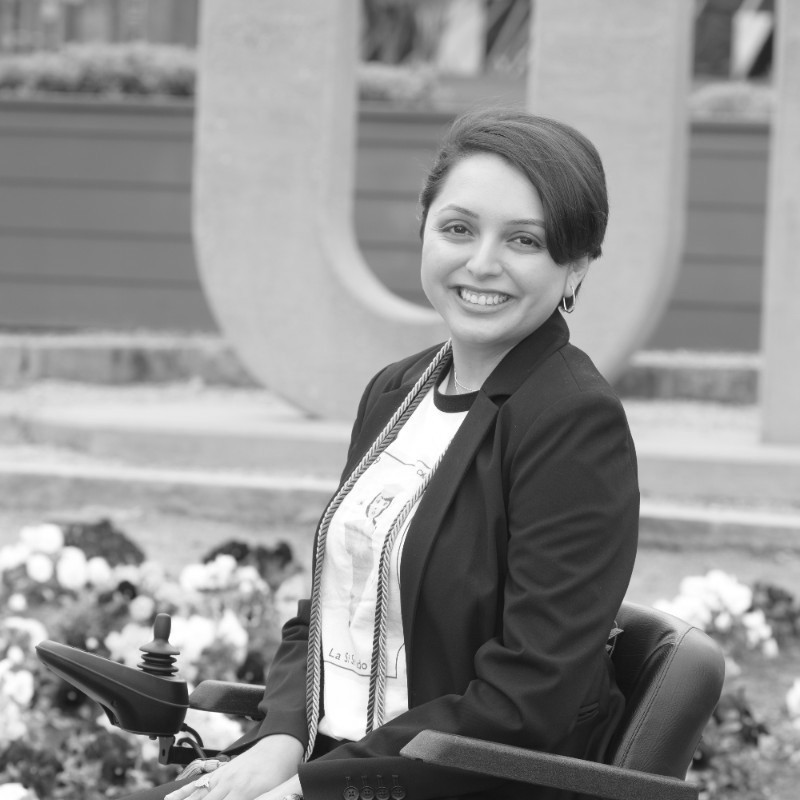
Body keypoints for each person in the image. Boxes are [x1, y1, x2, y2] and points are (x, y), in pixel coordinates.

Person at [126, 107, 639, 800]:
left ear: (575, 267)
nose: (481, 262)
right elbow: (327, 608)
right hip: (328, 760)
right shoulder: (398, 390)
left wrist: (316, 789)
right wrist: (280, 741)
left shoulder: (572, 421)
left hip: (445, 785)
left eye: (524, 240)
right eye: (458, 228)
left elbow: (528, 697)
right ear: (424, 232)